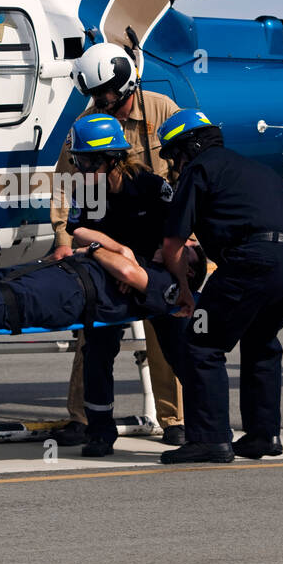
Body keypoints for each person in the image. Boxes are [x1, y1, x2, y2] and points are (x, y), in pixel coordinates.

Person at [155, 109, 283, 465]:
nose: (172, 163)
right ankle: (263, 435)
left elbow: (172, 246)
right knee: (261, 338)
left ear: (189, 147)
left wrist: (185, 292)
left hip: (257, 261)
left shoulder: (199, 170)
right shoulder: (255, 169)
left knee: (201, 343)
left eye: (172, 154)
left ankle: (210, 440)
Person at [48, 41, 187, 446]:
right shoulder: (89, 123)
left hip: (159, 243)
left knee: (166, 333)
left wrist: (182, 242)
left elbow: (188, 175)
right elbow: (64, 185)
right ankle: (85, 419)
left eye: (107, 93)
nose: (102, 101)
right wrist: (63, 238)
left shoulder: (163, 111)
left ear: (125, 84)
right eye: (95, 95)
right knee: (92, 334)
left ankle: (175, 420)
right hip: (108, 251)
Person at [63, 114, 181, 457]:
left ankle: (186, 423)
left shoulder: (149, 186)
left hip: (151, 277)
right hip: (110, 280)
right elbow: (77, 231)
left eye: (86, 160)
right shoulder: (86, 189)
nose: (81, 167)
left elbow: (170, 236)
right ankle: (100, 432)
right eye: (77, 160)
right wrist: (116, 253)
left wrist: (137, 269)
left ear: (111, 158)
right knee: (97, 354)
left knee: (174, 350)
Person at [0, 239, 207, 336]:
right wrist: (122, 250)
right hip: (61, 273)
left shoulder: (169, 285)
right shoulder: (145, 262)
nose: (174, 245)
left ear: (188, 271)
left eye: (184, 249)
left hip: (69, 292)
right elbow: (81, 232)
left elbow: (126, 273)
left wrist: (96, 252)